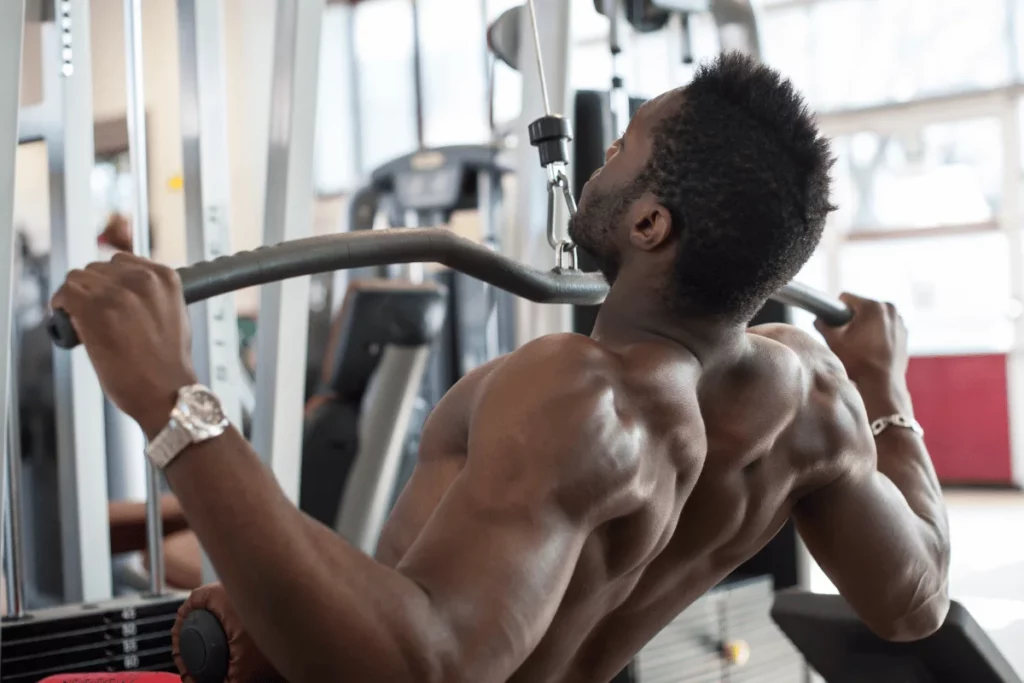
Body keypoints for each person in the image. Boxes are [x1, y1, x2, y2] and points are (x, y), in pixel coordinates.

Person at [51, 53, 950, 683]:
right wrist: (887, 389)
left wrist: (173, 399)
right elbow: (915, 600)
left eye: (623, 149)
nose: (603, 159)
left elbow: (425, 666)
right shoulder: (815, 399)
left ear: (650, 225)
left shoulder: (581, 392)